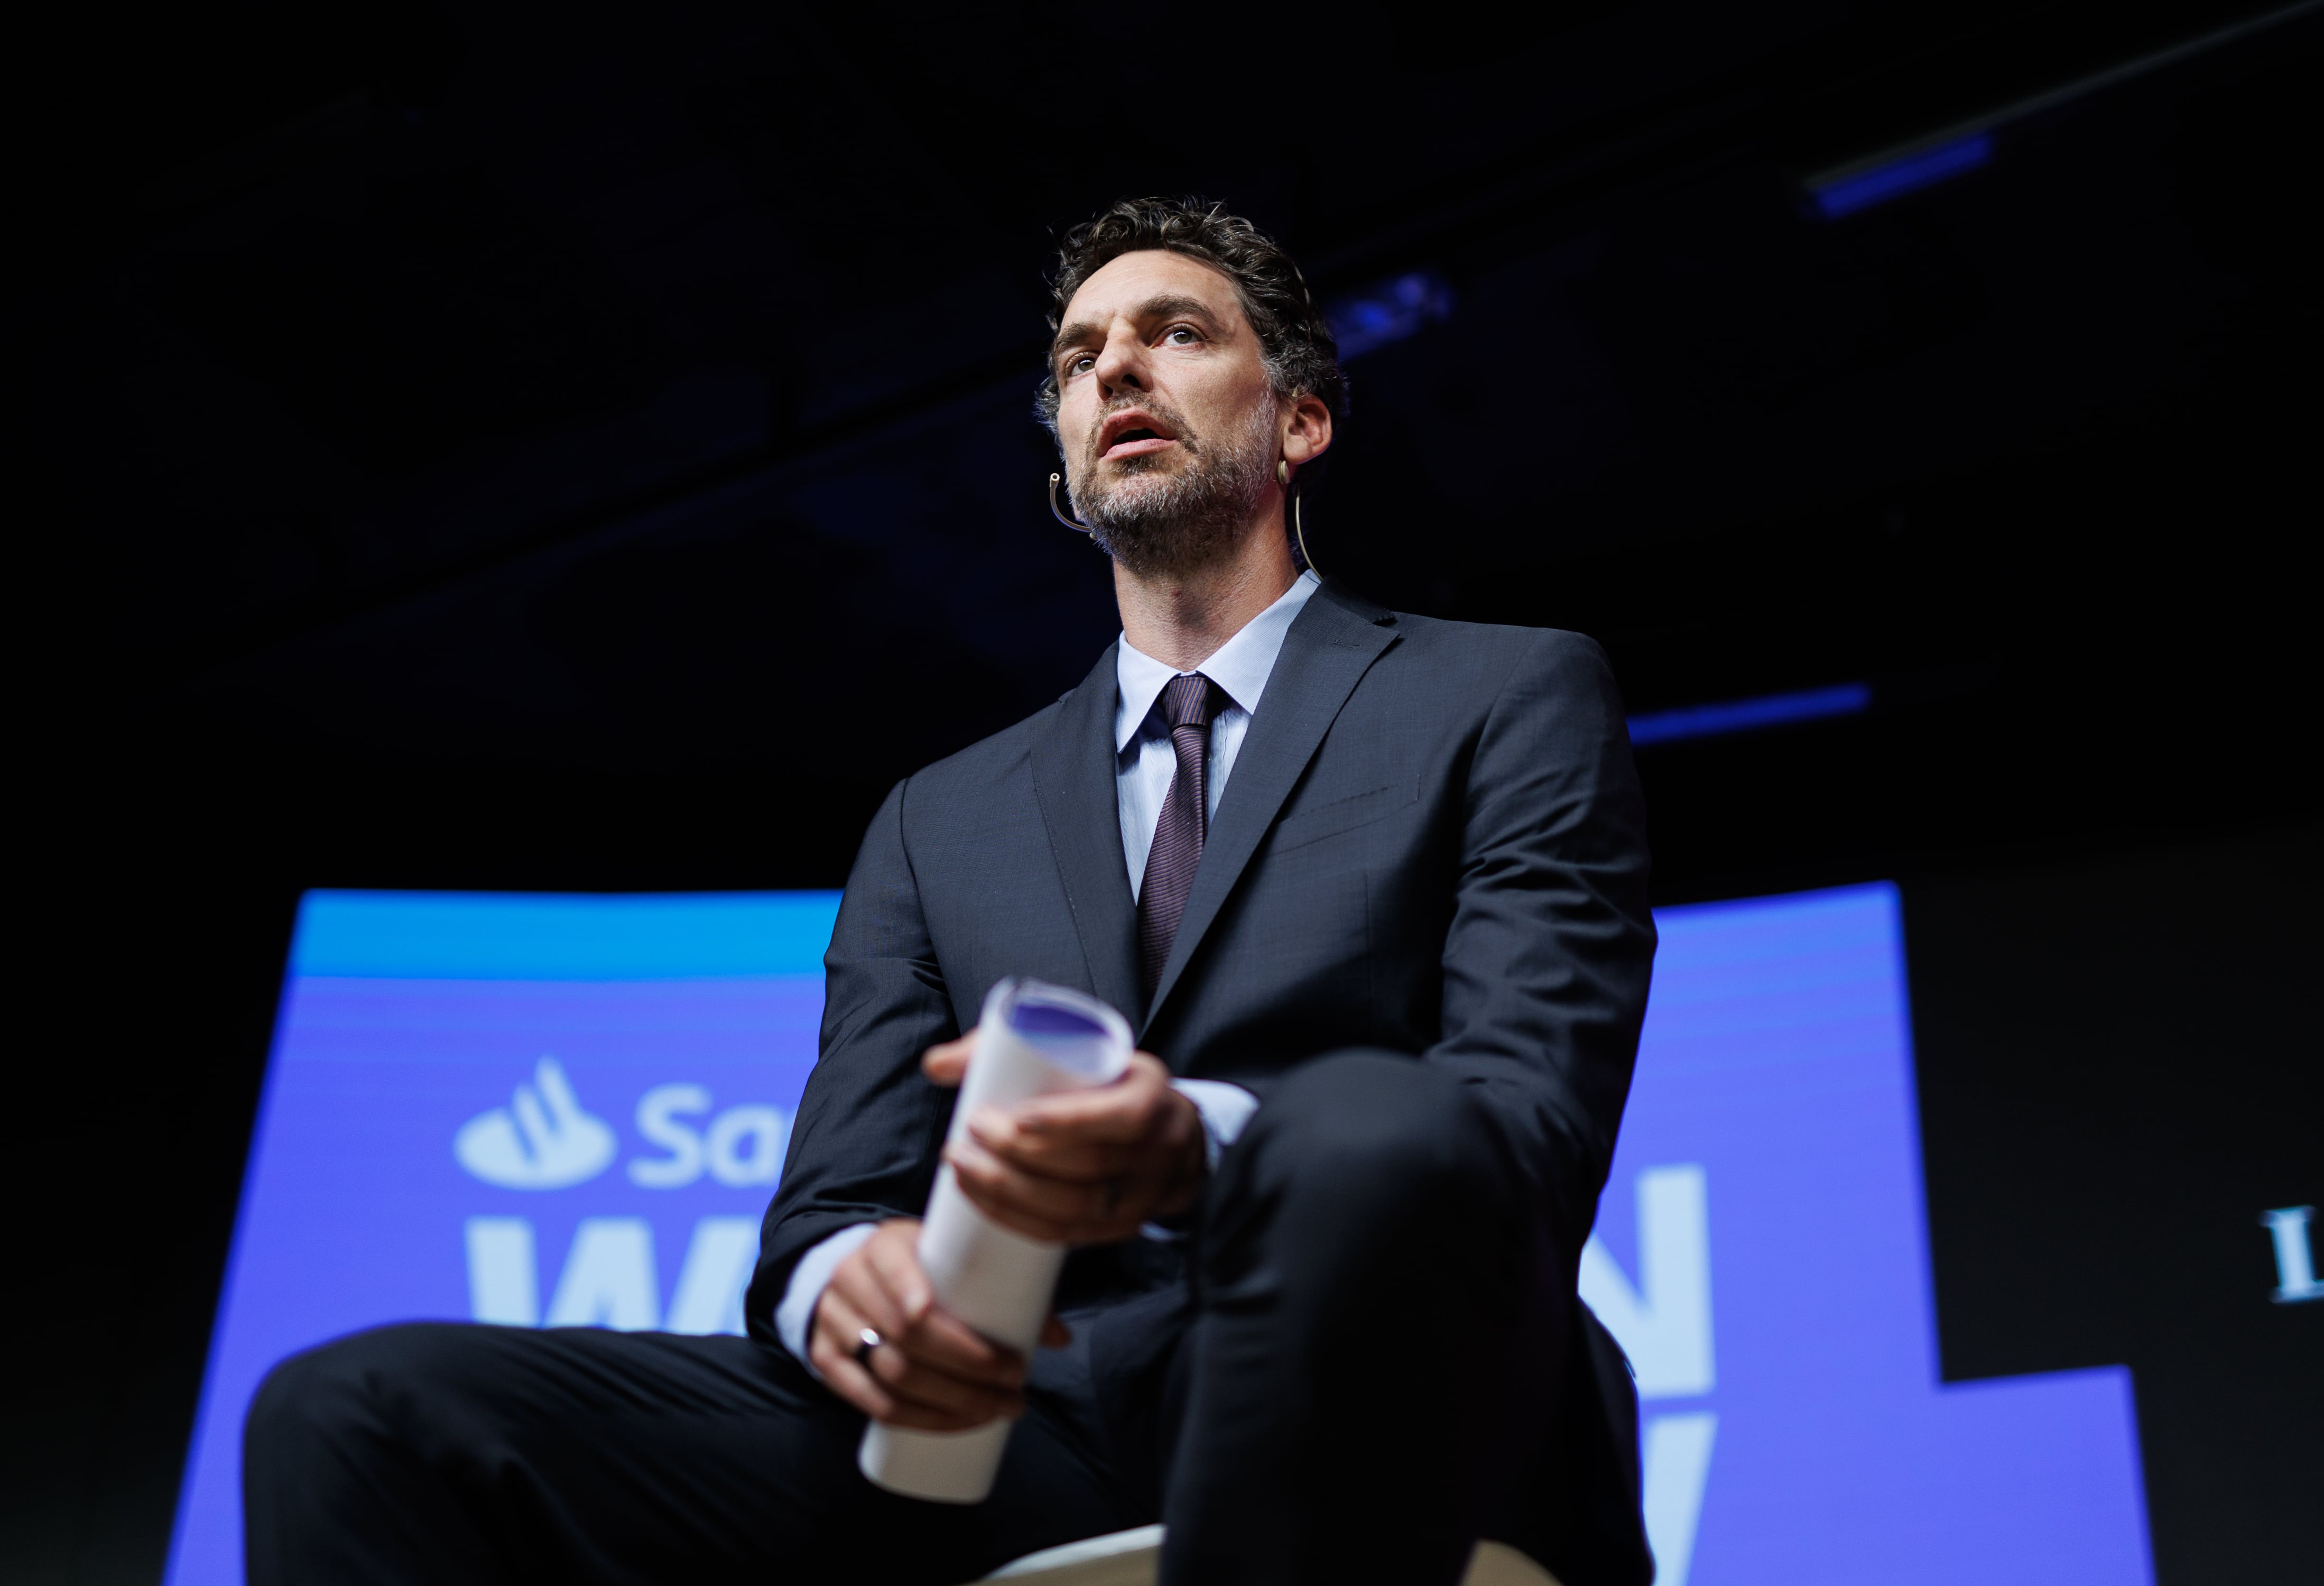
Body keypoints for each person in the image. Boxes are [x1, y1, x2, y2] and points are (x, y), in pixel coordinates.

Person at [244, 197, 1656, 1586]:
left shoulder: (1503, 690)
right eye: (1078, 355)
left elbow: (1521, 1119)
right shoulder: (937, 817)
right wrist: (847, 1290)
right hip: (1023, 1423)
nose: (1113, 367)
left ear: (1300, 421)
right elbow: (827, 1206)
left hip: (1386, 1389)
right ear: (1060, 465)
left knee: (1371, 1110)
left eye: (1173, 332)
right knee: (357, 1416)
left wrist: (1197, 1146)